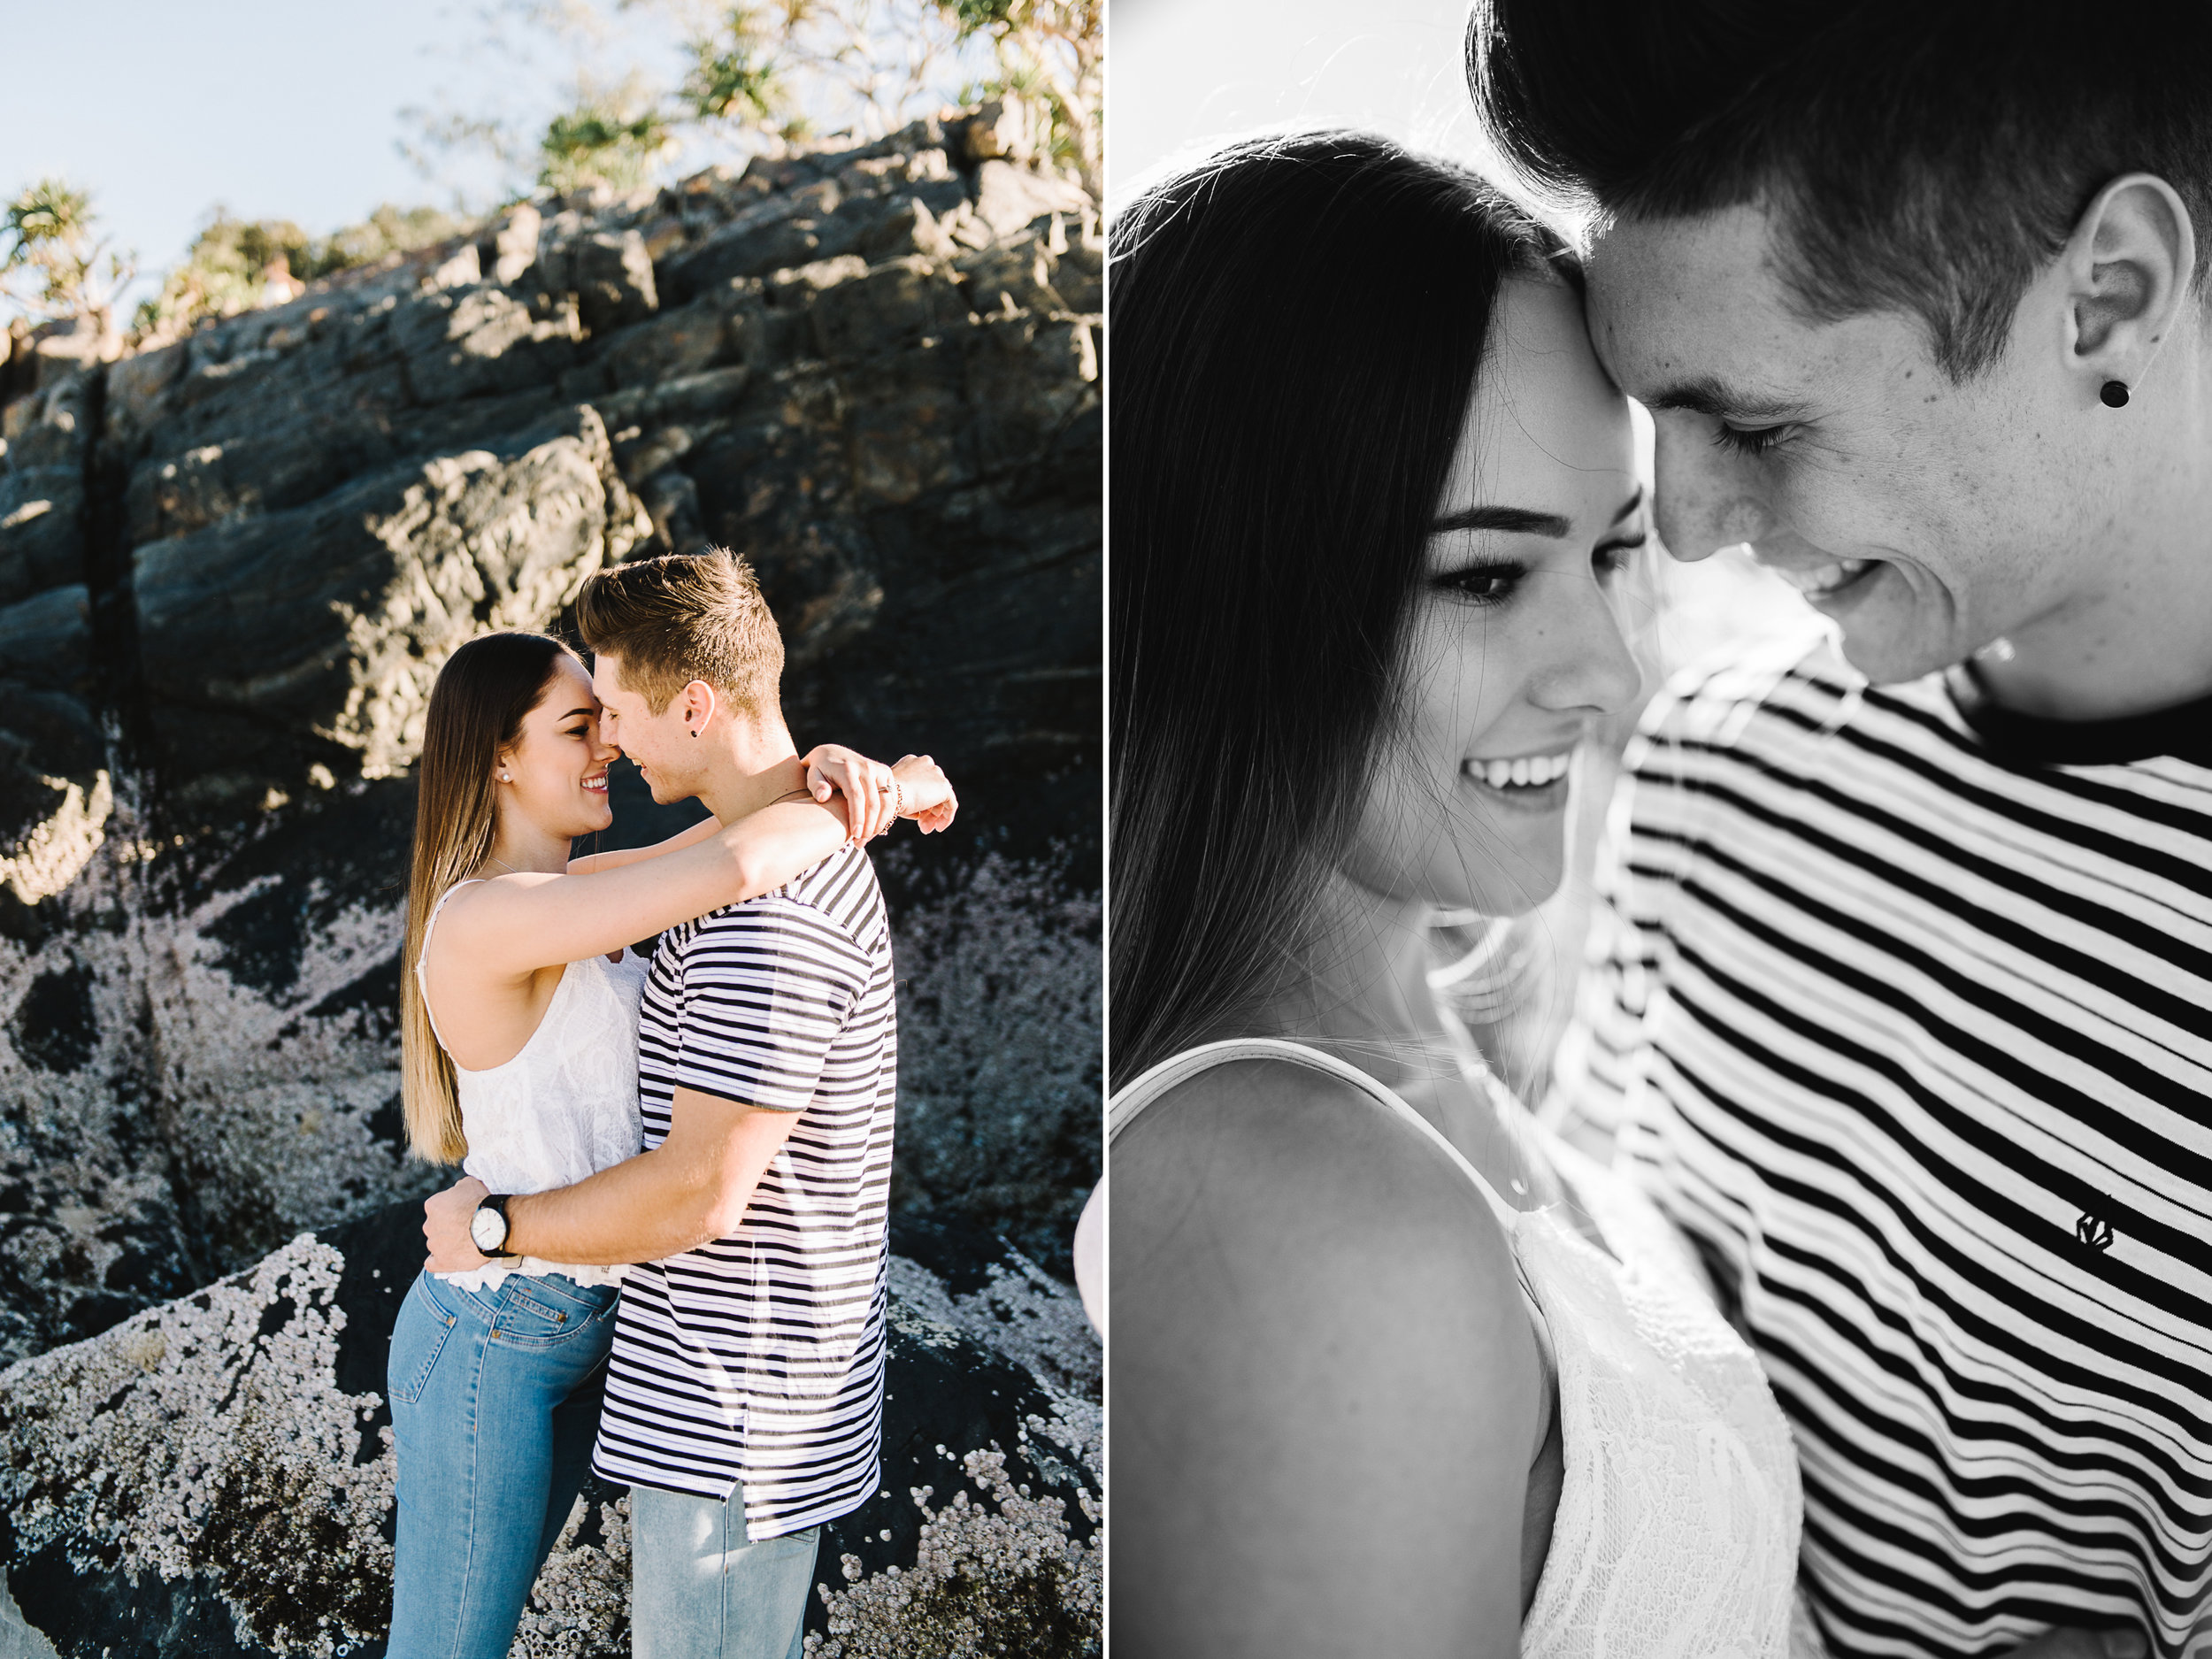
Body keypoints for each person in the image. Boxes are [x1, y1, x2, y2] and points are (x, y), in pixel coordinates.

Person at [1464, 6, 2212, 1658]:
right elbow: (1598, 1344)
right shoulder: (1717, 776)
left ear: (2111, 298)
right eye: (1654, 415)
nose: (1685, 522)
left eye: (1758, 423)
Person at [1108, 130, 1808, 1657]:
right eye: (1488, 578)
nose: (1608, 674)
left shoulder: (1431, 1058)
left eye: (1611, 556)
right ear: (1242, 603)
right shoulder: (1300, 1231)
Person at [419, 550, 942, 1659]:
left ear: (694, 702)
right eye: (581, 723)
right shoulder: (505, 913)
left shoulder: (679, 899)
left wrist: (845, 782)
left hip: (707, 1383)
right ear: (501, 761)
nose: (608, 738)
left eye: (609, 709)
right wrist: (863, 788)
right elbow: (727, 852)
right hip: (527, 1330)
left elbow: (725, 854)